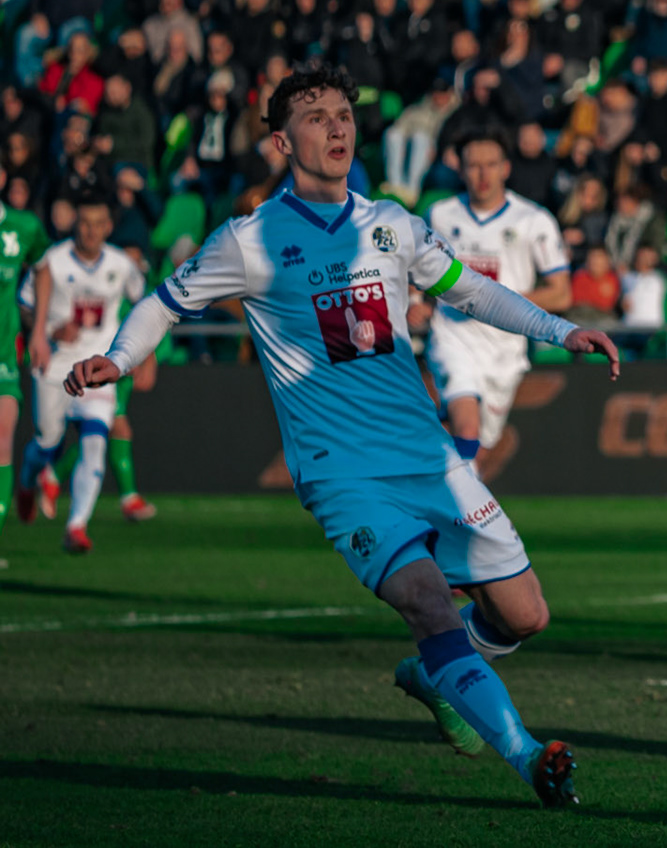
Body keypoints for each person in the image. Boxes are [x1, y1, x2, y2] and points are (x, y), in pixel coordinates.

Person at [61, 64, 619, 808]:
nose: (336, 127)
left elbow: (471, 289)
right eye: (316, 116)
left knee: (525, 616)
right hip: (340, 473)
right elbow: (164, 304)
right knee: (428, 600)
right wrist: (119, 358)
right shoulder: (251, 239)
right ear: (282, 140)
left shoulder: (390, 222)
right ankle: (527, 757)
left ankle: (432, 675)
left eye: (343, 115)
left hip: (424, 456)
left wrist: (560, 329)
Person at [415, 131, 572, 484]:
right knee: (467, 426)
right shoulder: (440, 215)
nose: (482, 174)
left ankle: (441, 488)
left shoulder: (533, 220)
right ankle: (468, 517)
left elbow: (561, 294)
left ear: (505, 168)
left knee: (480, 444)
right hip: (453, 335)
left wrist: (496, 303)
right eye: (473, 166)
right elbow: (414, 270)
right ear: (461, 170)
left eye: (490, 165)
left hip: (505, 348)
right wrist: (416, 302)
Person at [19, 195, 146, 554]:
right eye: (85, 223)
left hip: (97, 366)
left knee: (95, 442)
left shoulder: (121, 264)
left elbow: (144, 303)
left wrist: (140, 353)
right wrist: (48, 331)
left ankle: (76, 527)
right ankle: (27, 483)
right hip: (55, 365)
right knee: (46, 442)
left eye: (98, 224)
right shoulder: (53, 261)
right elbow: (26, 306)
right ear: (76, 224)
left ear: (108, 226)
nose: (91, 231)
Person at [0, 175, 50, 567]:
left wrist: (38, 330)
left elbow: (44, 268)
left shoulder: (23, 226)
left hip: (3, 351)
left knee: (4, 432)